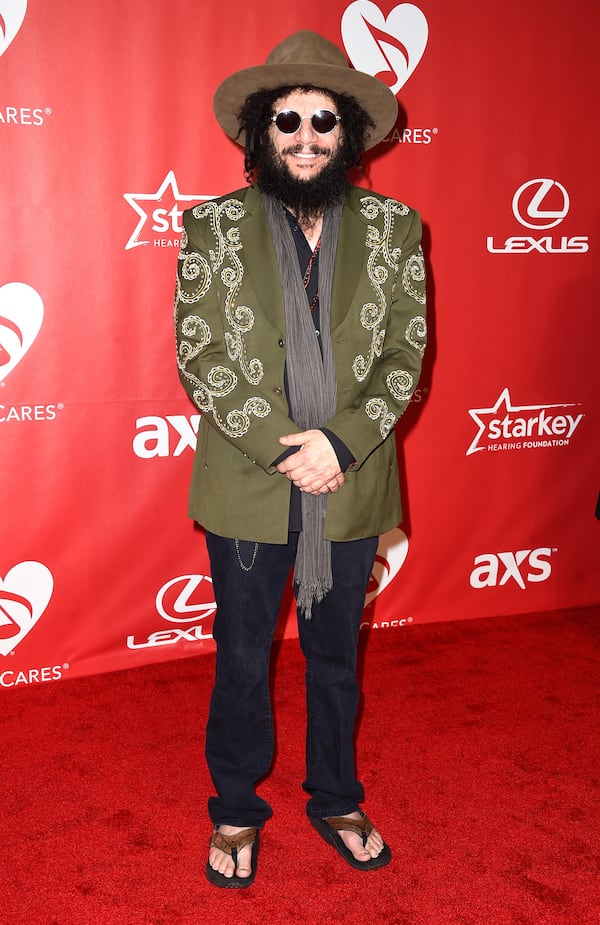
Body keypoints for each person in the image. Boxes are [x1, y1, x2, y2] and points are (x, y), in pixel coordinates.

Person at [174, 29, 427, 888]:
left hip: (350, 481)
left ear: (348, 131)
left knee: (334, 656)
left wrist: (341, 444)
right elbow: (201, 352)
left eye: (325, 119)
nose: (306, 135)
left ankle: (336, 794)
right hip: (252, 480)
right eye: (287, 119)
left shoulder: (397, 229)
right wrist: (293, 449)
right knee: (243, 654)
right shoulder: (212, 225)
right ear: (260, 130)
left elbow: (404, 354)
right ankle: (238, 806)